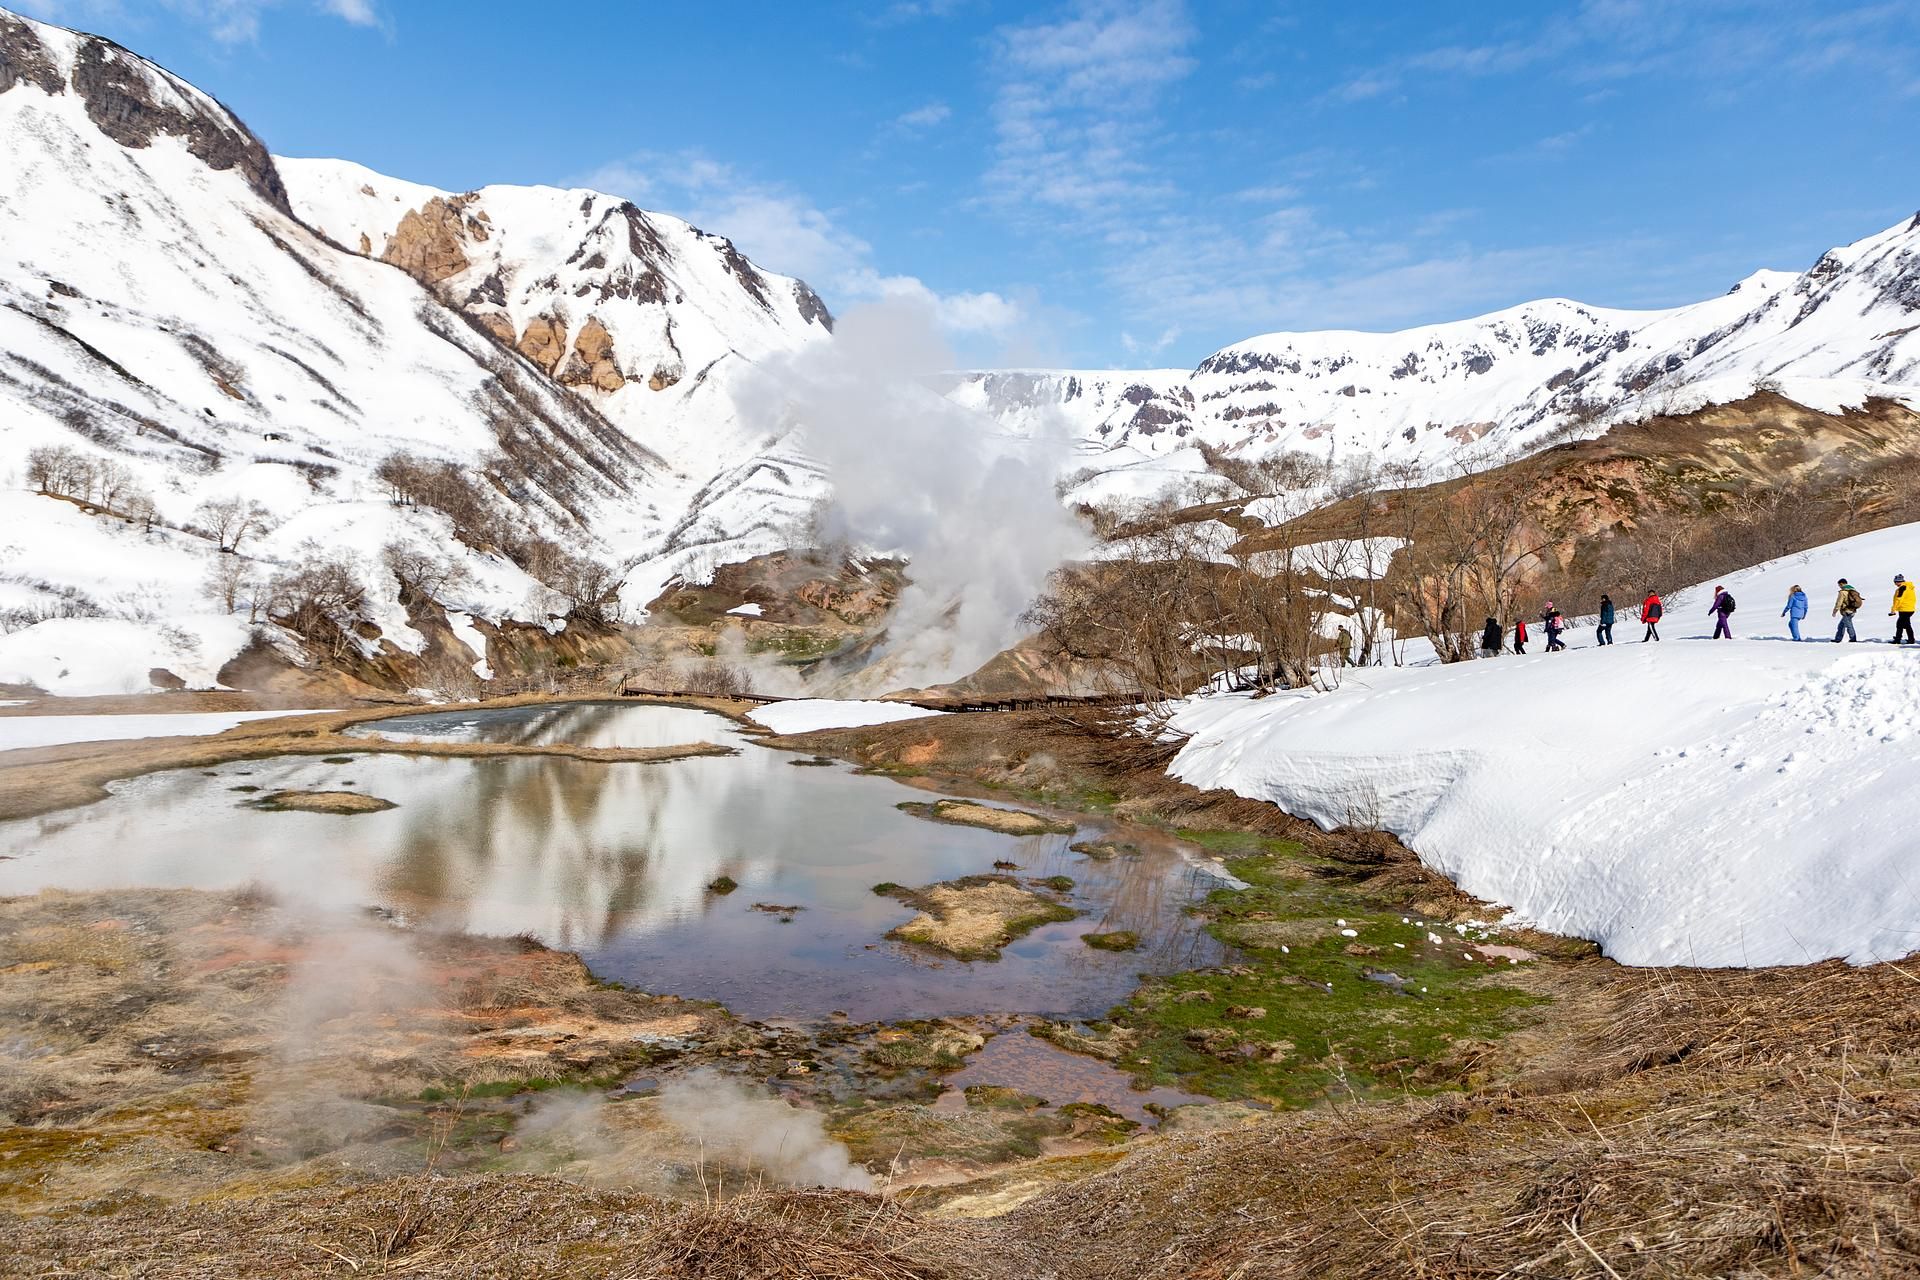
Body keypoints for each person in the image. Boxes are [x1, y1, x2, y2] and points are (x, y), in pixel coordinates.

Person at [1833, 578, 1863, 643]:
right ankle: (1838, 639)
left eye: (1839, 585)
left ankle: (1853, 639)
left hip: (1846, 611)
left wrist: (1834, 611)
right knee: (1841, 625)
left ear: (1841, 584)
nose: (1839, 586)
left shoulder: (1843, 592)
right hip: (1852, 610)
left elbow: (1839, 603)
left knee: (1849, 626)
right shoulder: (1852, 589)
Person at [1891, 574, 1916, 645]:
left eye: (1895, 582)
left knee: (1900, 624)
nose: (1895, 584)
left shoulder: (1903, 588)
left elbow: (1898, 600)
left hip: (1905, 609)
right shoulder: (1908, 587)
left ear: (1899, 581)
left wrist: (1893, 610)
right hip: (1908, 609)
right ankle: (1910, 639)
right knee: (1906, 624)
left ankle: (1898, 640)